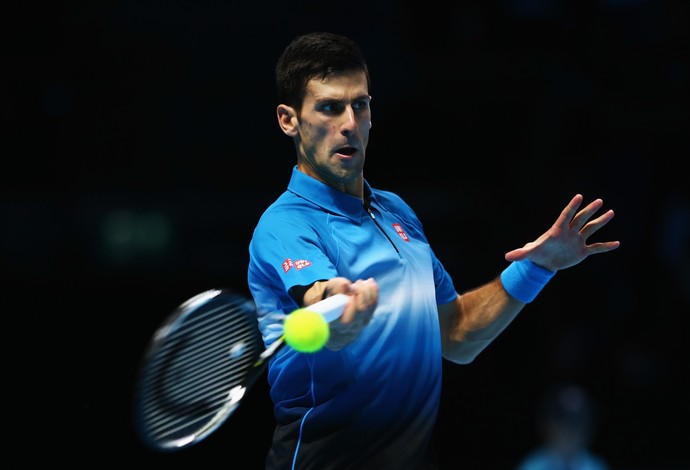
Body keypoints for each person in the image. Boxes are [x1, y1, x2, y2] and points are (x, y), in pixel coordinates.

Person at [247, 31, 620, 470]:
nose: (350, 122)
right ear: (288, 120)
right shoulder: (284, 224)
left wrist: (539, 267)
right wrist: (343, 308)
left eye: (360, 105)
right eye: (329, 107)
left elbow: (456, 334)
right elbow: (323, 305)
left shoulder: (397, 212)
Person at [515, 383, 610, 470]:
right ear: (547, 426)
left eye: (576, 426)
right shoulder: (531, 466)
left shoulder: (597, 467)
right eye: (562, 425)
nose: (569, 433)